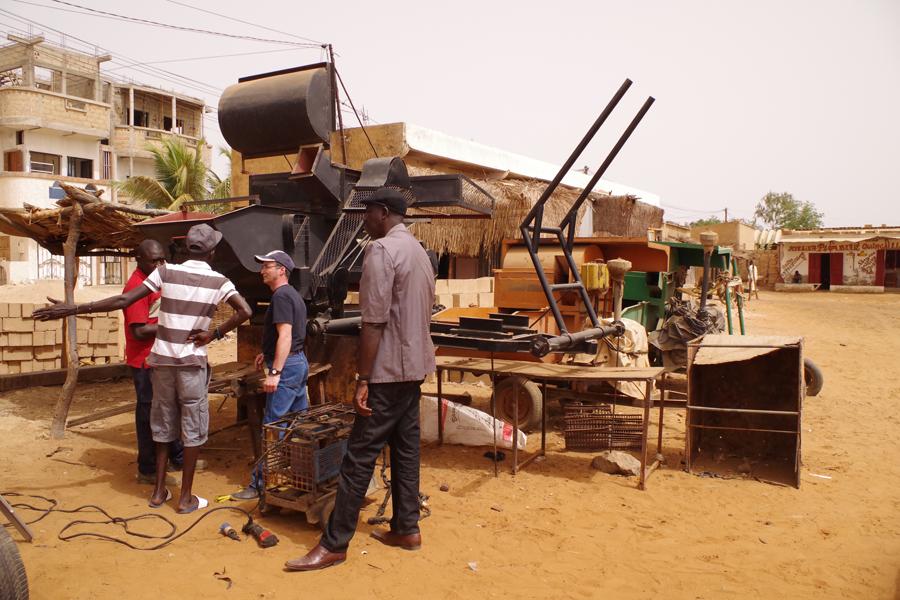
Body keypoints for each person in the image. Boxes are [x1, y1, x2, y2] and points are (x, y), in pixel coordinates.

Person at [34, 224, 251, 513]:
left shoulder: (166, 272)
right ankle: (185, 497)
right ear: (212, 253)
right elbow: (245, 311)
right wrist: (215, 334)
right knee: (193, 429)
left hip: (160, 364)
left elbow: (124, 300)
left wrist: (72, 308)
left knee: (161, 426)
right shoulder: (219, 281)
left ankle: (159, 492)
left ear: (185, 248)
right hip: (190, 365)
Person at [285, 187, 436, 572]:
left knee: (358, 458)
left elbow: (373, 322)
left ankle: (334, 544)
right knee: (405, 450)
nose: (364, 220)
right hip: (415, 368)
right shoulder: (420, 252)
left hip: (386, 372)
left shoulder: (381, 251)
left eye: (367, 213)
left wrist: (362, 378)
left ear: (383, 212)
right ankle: (407, 527)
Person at [231, 250, 308, 500]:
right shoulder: (291, 295)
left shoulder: (282, 297)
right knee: (299, 424)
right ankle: (304, 476)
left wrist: (275, 371)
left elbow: (285, 335)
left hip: (288, 368)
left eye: (267, 266)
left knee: (273, 426)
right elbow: (288, 336)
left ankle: (259, 484)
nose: (262, 270)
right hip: (298, 362)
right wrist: (267, 353)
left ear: (282, 270)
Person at [124, 239, 184, 485]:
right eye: (154, 261)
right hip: (144, 362)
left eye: (162, 259)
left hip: (161, 358)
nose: (160, 264)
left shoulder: (159, 279)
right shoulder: (136, 287)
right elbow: (138, 331)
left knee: (170, 409)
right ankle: (147, 469)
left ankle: (176, 457)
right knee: (149, 415)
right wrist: (170, 326)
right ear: (139, 260)